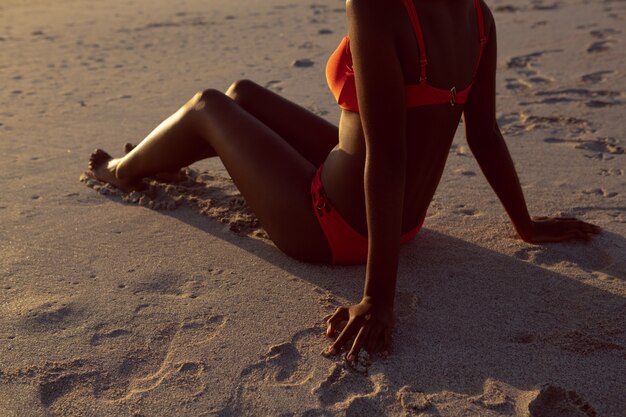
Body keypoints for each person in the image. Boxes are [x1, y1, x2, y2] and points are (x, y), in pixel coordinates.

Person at [88, 0, 600, 363]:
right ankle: (159, 157)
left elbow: (387, 154)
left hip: (334, 224)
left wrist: (378, 297)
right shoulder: (477, 15)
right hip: (400, 217)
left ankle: (122, 172)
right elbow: (484, 133)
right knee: (242, 94)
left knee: (207, 105)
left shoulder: (378, 6)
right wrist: (524, 223)